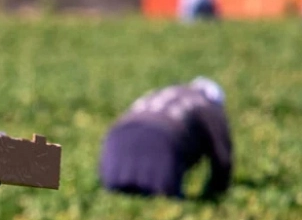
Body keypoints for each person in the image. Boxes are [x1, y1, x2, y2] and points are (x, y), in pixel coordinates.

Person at [99, 77, 233, 200]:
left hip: (116, 143)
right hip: (161, 143)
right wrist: (215, 193)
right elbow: (222, 156)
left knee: (117, 197)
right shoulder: (207, 104)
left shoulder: (159, 93)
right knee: (163, 202)